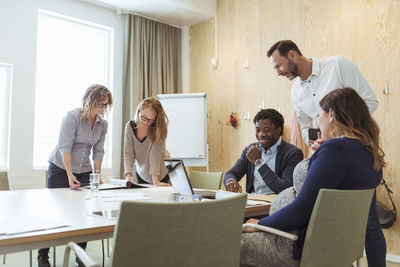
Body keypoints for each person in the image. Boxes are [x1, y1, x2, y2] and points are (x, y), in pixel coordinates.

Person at [241, 88, 386, 267]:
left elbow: (301, 211)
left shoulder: (334, 150)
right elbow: (368, 223)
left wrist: (259, 223)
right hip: (337, 247)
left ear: (331, 114)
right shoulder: (368, 153)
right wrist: (318, 156)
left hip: (297, 244)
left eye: (319, 115)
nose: (318, 122)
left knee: (226, 243)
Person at [38, 84, 112, 267]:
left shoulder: (103, 124)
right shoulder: (72, 117)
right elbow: (65, 147)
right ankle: (43, 254)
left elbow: (98, 151)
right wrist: (70, 174)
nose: (103, 109)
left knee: (85, 213)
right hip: (61, 169)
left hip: (84, 170)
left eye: (106, 105)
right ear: (90, 100)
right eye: (100, 104)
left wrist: (97, 175)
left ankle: (81, 255)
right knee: (53, 212)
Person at [267, 40, 378, 146]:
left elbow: (370, 101)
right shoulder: (295, 92)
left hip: (355, 147)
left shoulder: (338, 65)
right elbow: (306, 127)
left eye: (279, 66)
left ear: (292, 55)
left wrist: (342, 131)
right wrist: (314, 144)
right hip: (326, 154)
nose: (278, 72)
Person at [223, 109, 303, 195]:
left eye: (266, 130)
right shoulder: (250, 150)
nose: (261, 134)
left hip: (277, 204)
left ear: (279, 130)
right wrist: (230, 181)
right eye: (258, 130)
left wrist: (259, 162)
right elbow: (232, 173)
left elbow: (285, 189)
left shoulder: (293, 153)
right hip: (254, 202)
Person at [124, 97, 170, 186]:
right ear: (139, 111)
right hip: (142, 173)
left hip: (159, 174)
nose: (146, 122)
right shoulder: (130, 127)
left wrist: (155, 182)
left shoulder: (159, 129)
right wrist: (128, 174)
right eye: (143, 118)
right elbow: (128, 153)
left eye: (150, 120)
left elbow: (154, 156)